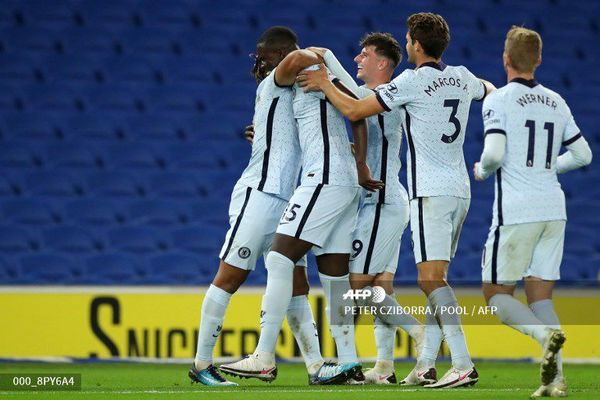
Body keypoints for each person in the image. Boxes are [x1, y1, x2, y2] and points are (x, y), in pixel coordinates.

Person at [296, 12, 496, 388]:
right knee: (411, 284)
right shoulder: (464, 76)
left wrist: (324, 79)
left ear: (416, 46)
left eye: (408, 39)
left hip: (418, 193)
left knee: (381, 285)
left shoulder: (409, 83)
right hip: (458, 192)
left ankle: (455, 359)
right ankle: (407, 365)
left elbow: (355, 108)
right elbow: (491, 90)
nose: (407, 44)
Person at [189, 26, 346, 386]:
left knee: (296, 284)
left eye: (262, 56)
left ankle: (316, 365)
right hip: (259, 194)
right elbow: (298, 57)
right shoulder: (275, 82)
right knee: (230, 276)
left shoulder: (297, 93)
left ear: (274, 55)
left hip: (288, 197)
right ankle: (200, 364)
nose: (258, 63)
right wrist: (322, 56)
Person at [220, 41, 383, 384]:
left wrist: (317, 54)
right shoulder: (317, 83)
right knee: (335, 277)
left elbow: (355, 108)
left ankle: (263, 356)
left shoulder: (312, 70)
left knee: (279, 259)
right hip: (343, 182)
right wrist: (361, 167)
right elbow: (354, 114)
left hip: (323, 178)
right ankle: (350, 364)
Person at [473, 26, 592, 398]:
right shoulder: (557, 101)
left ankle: (543, 336)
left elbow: (493, 154)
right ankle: (556, 381)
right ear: (539, 59)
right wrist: (544, 167)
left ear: (505, 59)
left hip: (518, 209)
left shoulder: (499, 99)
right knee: (540, 297)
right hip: (554, 209)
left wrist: (480, 170)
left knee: (495, 294)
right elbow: (583, 155)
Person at [312, 32, 426, 385]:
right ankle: (385, 366)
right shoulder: (383, 102)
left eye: (364, 55)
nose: (357, 60)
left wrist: (327, 60)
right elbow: (366, 142)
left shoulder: (384, 99)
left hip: (381, 202)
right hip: (388, 200)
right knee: (381, 289)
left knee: (356, 288)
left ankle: (423, 340)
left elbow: (352, 100)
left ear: (382, 64)